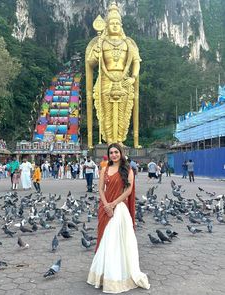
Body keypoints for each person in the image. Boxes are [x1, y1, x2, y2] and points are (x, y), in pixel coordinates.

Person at [87, 143, 150, 293]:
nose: (114, 155)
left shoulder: (128, 170)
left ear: (121, 153)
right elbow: (101, 189)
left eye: (116, 152)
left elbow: (128, 191)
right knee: (106, 240)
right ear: (108, 155)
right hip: (106, 207)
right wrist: (106, 205)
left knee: (117, 241)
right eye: (111, 153)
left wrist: (114, 204)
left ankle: (118, 276)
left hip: (120, 209)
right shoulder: (104, 169)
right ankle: (103, 275)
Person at [86, 2, 141, 148]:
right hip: (106, 79)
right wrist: (97, 53)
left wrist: (133, 78)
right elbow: (90, 63)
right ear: (107, 26)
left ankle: (120, 140)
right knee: (107, 112)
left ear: (121, 25)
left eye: (117, 23)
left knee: (123, 112)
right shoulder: (101, 42)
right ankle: (110, 140)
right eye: (112, 23)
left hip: (124, 80)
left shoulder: (128, 43)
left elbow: (136, 62)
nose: (115, 25)